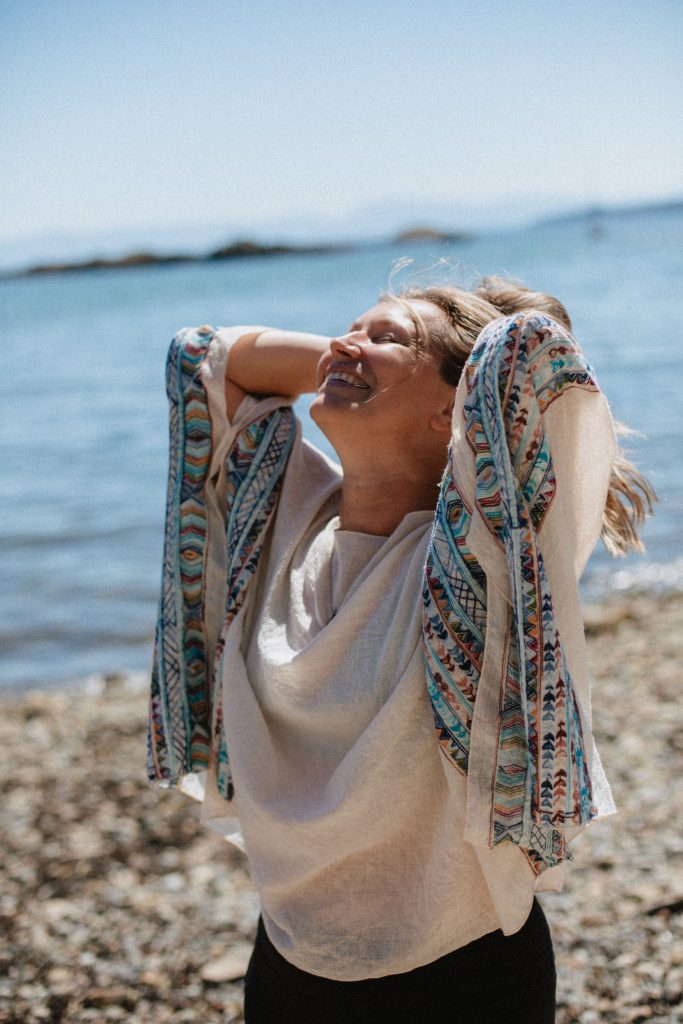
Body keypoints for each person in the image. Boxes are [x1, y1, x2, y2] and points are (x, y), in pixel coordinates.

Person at [148, 276, 654, 1023]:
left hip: (460, 974)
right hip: (291, 961)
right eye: (347, 330)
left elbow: (527, 355)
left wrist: (402, 359)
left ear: (458, 408)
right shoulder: (276, 523)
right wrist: (360, 357)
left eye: (386, 336)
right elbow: (202, 359)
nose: (348, 343)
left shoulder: (485, 560)